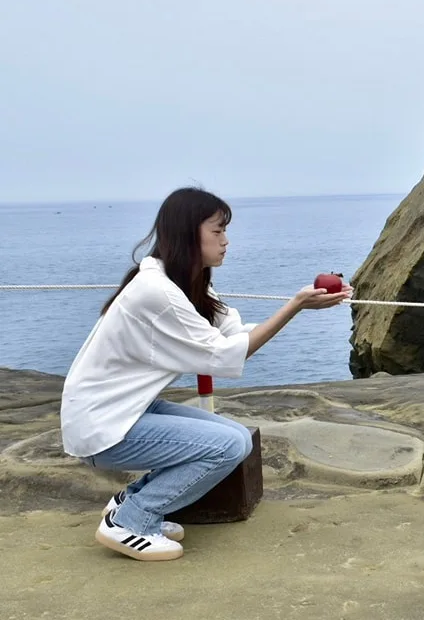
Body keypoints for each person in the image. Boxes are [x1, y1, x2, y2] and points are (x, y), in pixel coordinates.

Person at [59, 187, 352, 562]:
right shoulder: (157, 291)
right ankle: (132, 520)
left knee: (235, 437)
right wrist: (294, 306)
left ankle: (130, 503)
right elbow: (223, 355)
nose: (226, 241)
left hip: (121, 410)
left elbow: (234, 334)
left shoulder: (183, 282)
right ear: (187, 233)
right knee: (226, 446)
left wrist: (300, 304)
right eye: (217, 231)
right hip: (103, 425)